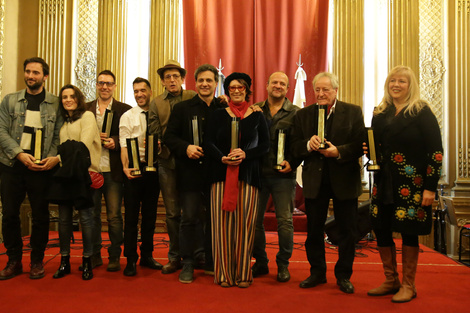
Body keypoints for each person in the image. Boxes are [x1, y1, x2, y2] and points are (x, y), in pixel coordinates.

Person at [365, 65, 443, 303]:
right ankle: (391, 279)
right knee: (381, 228)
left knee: (409, 231)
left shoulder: (422, 112)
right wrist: (369, 151)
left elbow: (435, 152)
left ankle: (409, 284)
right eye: (392, 81)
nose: (396, 85)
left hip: (413, 184)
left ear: (411, 86)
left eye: (402, 81)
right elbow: (375, 148)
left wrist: (430, 187)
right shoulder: (380, 112)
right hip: (383, 182)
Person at [291, 72, 365, 294]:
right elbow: (293, 146)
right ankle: (317, 273)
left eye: (326, 90)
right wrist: (307, 144)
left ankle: (343, 276)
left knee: (347, 231)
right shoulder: (303, 115)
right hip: (315, 181)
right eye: (318, 90)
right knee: (314, 231)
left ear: (336, 90)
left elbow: (360, 144)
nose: (321, 94)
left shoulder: (353, 112)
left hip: (345, 179)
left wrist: (337, 152)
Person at [205, 72, 269, 288]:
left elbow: (265, 146)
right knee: (221, 227)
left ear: (247, 90)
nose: (236, 90)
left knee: (245, 226)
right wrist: (221, 157)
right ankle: (223, 273)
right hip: (220, 177)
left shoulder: (258, 116)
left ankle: (243, 273)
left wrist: (246, 155)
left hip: (249, 177)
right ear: (227, 91)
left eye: (240, 87)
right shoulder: (217, 115)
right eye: (232, 87)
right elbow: (208, 142)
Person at [0, 57, 62, 280]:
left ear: (45, 76)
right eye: (28, 72)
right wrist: (19, 153)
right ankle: (14, 260)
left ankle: (37, 260)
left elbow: (59, 135)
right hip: (12, 165)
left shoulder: (56, 103)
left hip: (41, 167)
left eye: (36, 73)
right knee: (9, 215)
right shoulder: (10, 100)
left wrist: (51, 157)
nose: (30, 76)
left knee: (40, 216)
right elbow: (1, 131)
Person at [164, 64, 227, 283]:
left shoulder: (222, 110)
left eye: (209, 80)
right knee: (189, 218)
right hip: (189, 173)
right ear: (195, 82)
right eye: (201, 80)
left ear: (216, 83)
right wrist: (186, 148)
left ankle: (210, 260)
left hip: (216, 174)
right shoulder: (182, 108)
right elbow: (169, 137)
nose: (205, 84)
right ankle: (188, 262)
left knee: (213, 219)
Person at [148, 60, 197, 274]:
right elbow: (153, 129)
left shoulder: (192, 97)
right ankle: (174, 256)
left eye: (175, 76)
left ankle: (196, 254)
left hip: (191, 162)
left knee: (193, 211)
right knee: (172, 213)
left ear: (182, 79)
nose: (172, 80)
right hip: (167, 161)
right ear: (162, 81)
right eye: (167, 77)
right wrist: (159, 141)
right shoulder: (156, 103)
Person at [49, 85, 101, 280]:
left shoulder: (87, 117)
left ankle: (87, 260)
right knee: (64, 220)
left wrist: (58, 159)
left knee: (86, 219)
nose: (68, 100)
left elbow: (82, 148)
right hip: (64, 176)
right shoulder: (63, 122)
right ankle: (64, 261)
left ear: (78, 99)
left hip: (83, 175)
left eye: (72, 96)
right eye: (64, 97)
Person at [252, 71, 300, 283]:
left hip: (283, 176)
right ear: (267, 84)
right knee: (254, 221)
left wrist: (294, 162)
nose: (278, 86)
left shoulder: (296, 113)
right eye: (274, 82)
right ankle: (261, 262)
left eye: (282, 83)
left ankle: (283, 264)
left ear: (287, 89)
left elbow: (300, 144)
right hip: (257, 174)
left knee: (285, 222)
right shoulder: (254, 110)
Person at [87, 70, 131, 272]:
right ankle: (94, 254)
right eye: (101, 83)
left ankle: (114, 255)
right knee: (92, 215)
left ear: (114, 86)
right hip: (91, 169)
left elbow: (131, 136)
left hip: (113, 171)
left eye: (109, 84)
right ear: (96, 85)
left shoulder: (124, 110)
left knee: (114, 216)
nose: (104, 87)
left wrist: (115, 139)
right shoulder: (85, 109)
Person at [119, 77, 162, 276]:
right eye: (136, 91)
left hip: (154, 170)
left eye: (143, 90)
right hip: (134, 171)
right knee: (131, 217)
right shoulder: (127, 116)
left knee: (150, 217)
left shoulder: (158, 113)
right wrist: (125, 168)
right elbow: (124, 145)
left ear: (150, 91)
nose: (139, 94)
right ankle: (130, 259)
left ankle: (147, 255)